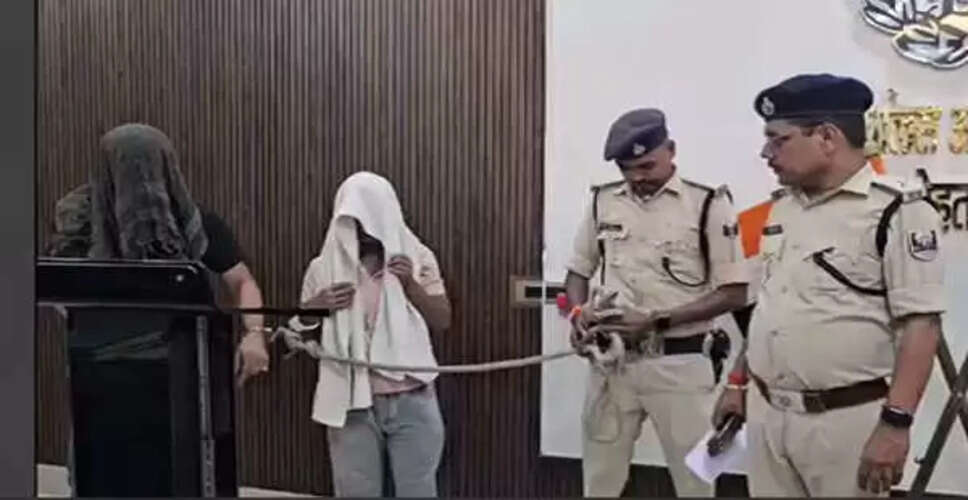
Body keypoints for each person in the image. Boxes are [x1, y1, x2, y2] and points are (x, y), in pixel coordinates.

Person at [713, 74, 946, 497]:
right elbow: (772, 305)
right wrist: (737, 381)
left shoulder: (897, 210)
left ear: (827, 137)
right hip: (767, 413)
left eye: (778, 139)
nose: (766, 153)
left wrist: (896, 424)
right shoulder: (784, 207)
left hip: (844, 423)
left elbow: (921, 326)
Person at [564, 108, 749, 497]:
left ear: (671, 150)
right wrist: (578, 315)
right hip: (612, 366)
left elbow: (734, 293)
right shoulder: (603, 201)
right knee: (599, 482)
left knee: (696, 483)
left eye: (646, 166)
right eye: (626, 169)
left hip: (681, 365)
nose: (636, 177)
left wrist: (655, 320)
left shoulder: (707, 203)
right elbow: (578, 272)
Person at [48, 123, 270, 383]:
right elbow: (58, 292)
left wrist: (255, 333)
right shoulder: (78, 226)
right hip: (102, 361)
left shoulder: (192, 223)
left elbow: (242, 281)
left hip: (186, 358)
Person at [292, 171, 451, 497]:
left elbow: (442, 319)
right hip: (352, 400)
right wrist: (316, 306)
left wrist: (410, 285)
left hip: (413, 397)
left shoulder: (418, 257)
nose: (364, 231)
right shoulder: (323, 267)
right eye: (354, 221)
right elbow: (298, 331)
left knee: (418, 491)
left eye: (369, 220)